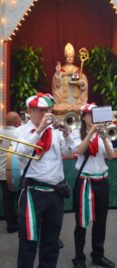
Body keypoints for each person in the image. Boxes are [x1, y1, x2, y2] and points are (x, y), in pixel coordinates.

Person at [15, 92, 75, 268]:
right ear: (29, 111)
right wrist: (39, 129)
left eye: (48, 109)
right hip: (33, 193)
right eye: (40, 110)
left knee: (51, 241)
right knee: (28, 241)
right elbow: (21, 153)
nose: (46, 113)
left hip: (55, 193)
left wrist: (66, 134)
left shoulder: (55, 132)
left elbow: (69, 153)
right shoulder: (21, 131)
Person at [72, 103, 115, 268]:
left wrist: (104, 136)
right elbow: (79, 151)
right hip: (85, 181)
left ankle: (98, 255)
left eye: (95, 114)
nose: (93, 117)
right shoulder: (77, 132)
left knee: (101, 221)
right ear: (83, 117)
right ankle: (79, 258)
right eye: (90, 114)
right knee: (81, 222)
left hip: (102, 181)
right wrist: (91, 132)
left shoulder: (104, 133)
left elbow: (111, 156)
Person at [52, 42, 88, 115]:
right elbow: (56, 84)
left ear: (73, 58)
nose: (70, 58)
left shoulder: (78, 70)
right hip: (64, 99)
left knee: (80, 108)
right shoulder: (62, 70)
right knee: (59, 108)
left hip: (76, 99)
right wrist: (58, 73)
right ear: (65, 58)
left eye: (71, 57)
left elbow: (84, 82)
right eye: (68, 57)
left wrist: (82, 83)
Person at [0, 111, 21, 233]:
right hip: (15, 171)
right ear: (17, 121)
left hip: (2, 172)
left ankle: (11, 226)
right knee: (20, 198)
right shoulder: (18, 134)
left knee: (7, 200)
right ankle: (22, 222)